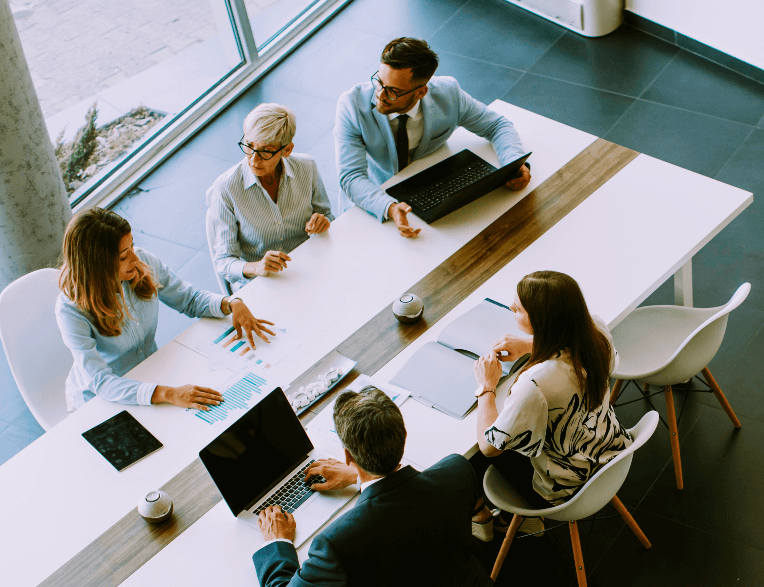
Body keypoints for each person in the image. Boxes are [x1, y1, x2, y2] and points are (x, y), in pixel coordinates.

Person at [253, 387, 492, 587]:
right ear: (402, 436)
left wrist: (277, 543)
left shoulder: (335, 543)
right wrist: (359, 476)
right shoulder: (457, 470)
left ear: (348, 456)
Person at [56, 208, 274, 412]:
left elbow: (188, 299)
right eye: (123, 256)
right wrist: (168, 393)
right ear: (97, 266)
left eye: (131, 246)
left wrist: (231, 303)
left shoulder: (142, 262)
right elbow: (100, 381)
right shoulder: (70, 310)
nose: (134, 257)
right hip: (102, 402)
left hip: (152, 376)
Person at [469, 271, 634, 537]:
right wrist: (530, 344)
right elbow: (579, 347)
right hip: (608, 451)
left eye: (518, 308)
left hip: (561, 489)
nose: (511, 308)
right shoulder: (597, 331)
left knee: (470, 456)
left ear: (541, 320)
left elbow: (489, 447)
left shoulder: (535, 383)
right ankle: (512, 519)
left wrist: (486, 387)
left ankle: (483, 515)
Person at [334, 37, 529, 238]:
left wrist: (513, 163)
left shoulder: (448, 93)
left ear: (420, 92)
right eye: (379, 82)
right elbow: (351, 176)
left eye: (393, 91)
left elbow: (497, 125)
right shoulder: (352, 105)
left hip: (432, 186)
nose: (380, 95)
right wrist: (389, 207)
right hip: (377, 196)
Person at [207, 103, 333, 290]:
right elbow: (224, 262)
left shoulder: (307, 168)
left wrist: (323, 221)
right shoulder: (226, 188)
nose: (253, 160)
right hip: (262, 283)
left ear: (287, 150)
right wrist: (256, 267)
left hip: (310, 265)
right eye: (249, 146)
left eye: (265, 151)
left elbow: (327, 215)